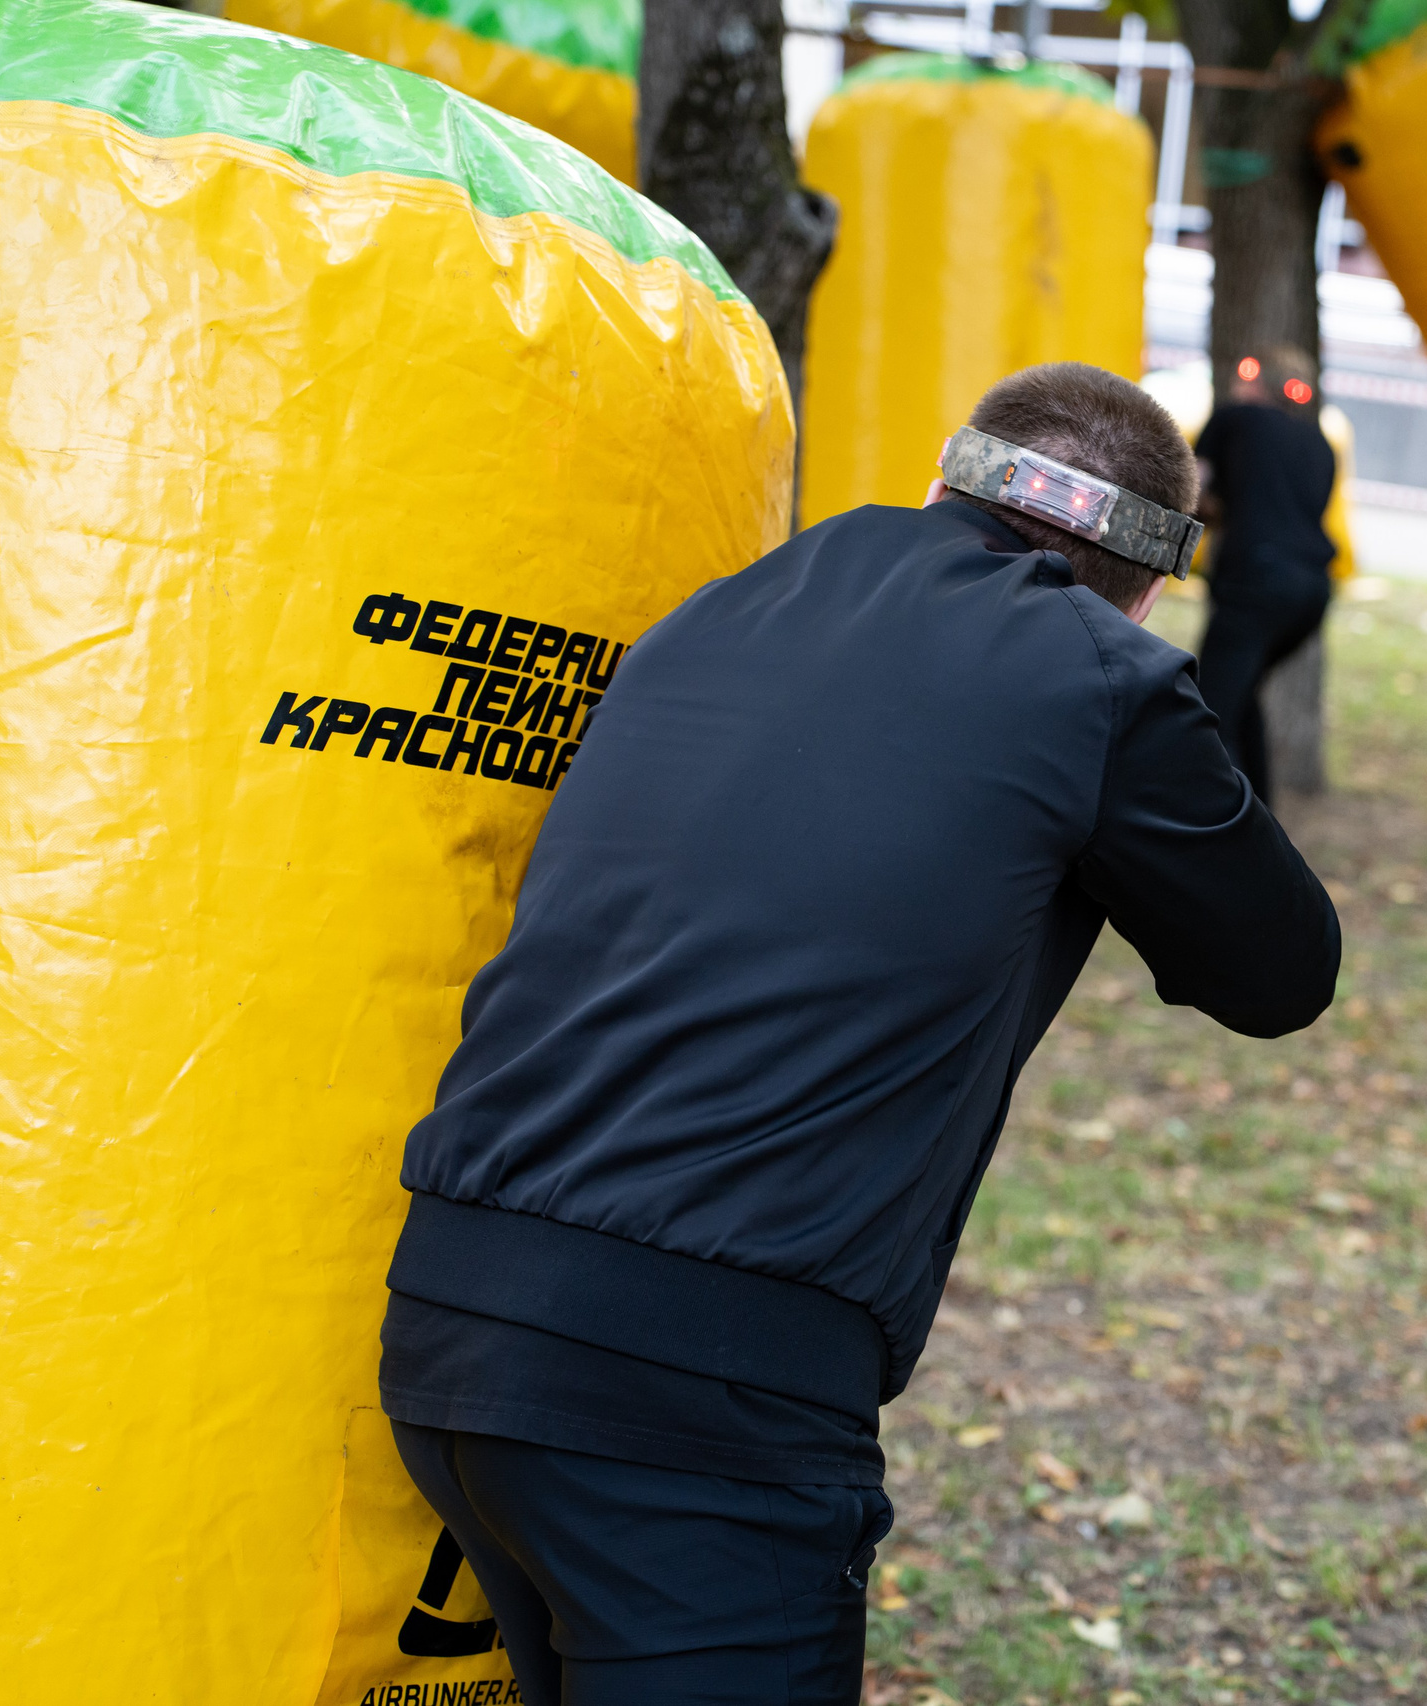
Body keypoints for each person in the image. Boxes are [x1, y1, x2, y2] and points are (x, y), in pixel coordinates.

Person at [376, 362, 1340, 1704]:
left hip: (452, 1317)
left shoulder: (721, 611)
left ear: (943, 486)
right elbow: (1283, 968)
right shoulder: (1098, 675)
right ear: (1146, 582)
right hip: (703, 1382)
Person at [1193, 346, 1338, 799]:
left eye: (1244, 374)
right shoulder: (1321, 445)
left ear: (1256, 382)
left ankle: (1224, 828)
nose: (1238, 383)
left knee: (1208, 711)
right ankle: (1262, 814)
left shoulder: (1235, 418)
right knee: (1239, 696)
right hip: (1312, 592)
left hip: (1258, 582)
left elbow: (1191, 492)